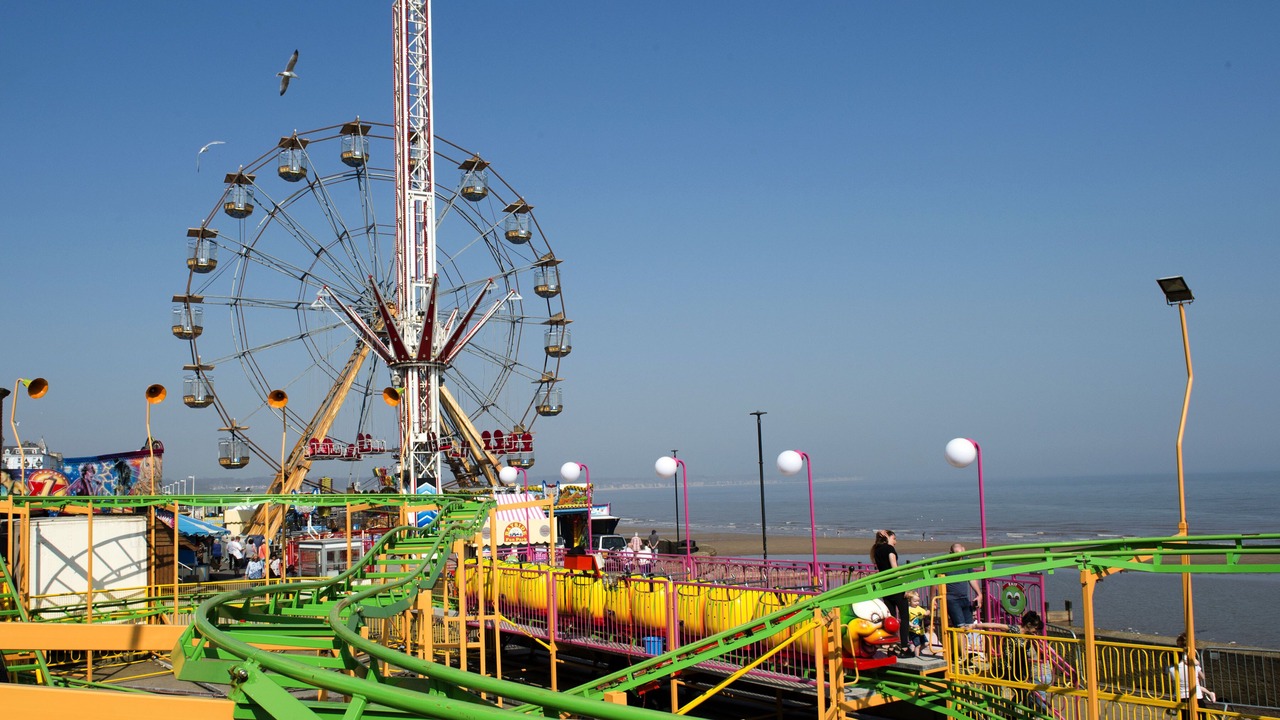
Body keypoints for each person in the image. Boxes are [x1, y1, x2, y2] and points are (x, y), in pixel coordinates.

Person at [973, 611, 1057, 712]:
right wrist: (974, 626)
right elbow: (996, 625)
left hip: (1018, 668)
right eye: (1035, 628)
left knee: (1023, 693)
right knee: (1019, 692)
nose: (1036, 631)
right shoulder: (1015, 629)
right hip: (1007, 667)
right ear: (1028, 624)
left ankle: (1011, 711)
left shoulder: (1030, 636)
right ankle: (1008, 711)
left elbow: (1043, 652)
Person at [871, 529, 912, 657]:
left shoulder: (876, 551)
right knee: (904, 617)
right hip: (895, 585)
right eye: (894, 538)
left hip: (885, 586)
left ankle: (891, 647)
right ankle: (904, 647)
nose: (896, 542)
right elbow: (895, 568)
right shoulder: (889, 549)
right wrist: (904, 584)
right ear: (887, 537)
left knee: (891, 618)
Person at [1170, 632, 1215, 719]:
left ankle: (1210, 693)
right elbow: (1202, 677)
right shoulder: (1193, 665)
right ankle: (1210, 693)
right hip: (1195, 696)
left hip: (1181, 697)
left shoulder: (1172, 669)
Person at [945, 542, 983, 626]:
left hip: (964, 598)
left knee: (970, 625)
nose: (959, 558)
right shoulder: (944, 562)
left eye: (961, 555)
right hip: (952, 599)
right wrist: (932, 600)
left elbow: (971, 578)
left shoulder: (966, 561)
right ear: (951, 553)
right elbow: (935, 581)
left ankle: (968, 639)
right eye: (957, 555)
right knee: (960, 626)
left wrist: (979, 594)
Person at [905, 590, 931, 657]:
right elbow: (906, 620)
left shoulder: (919, 608)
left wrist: (929, 611)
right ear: (909, 601)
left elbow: (925, 613)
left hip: (921, 631)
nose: (917, 603)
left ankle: (916, 652)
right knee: (918, 645)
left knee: (926, 643)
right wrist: (912, 625)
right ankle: (917, 656)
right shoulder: (909, 609)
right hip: (913, 631)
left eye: (918, 601)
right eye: (915, 601)